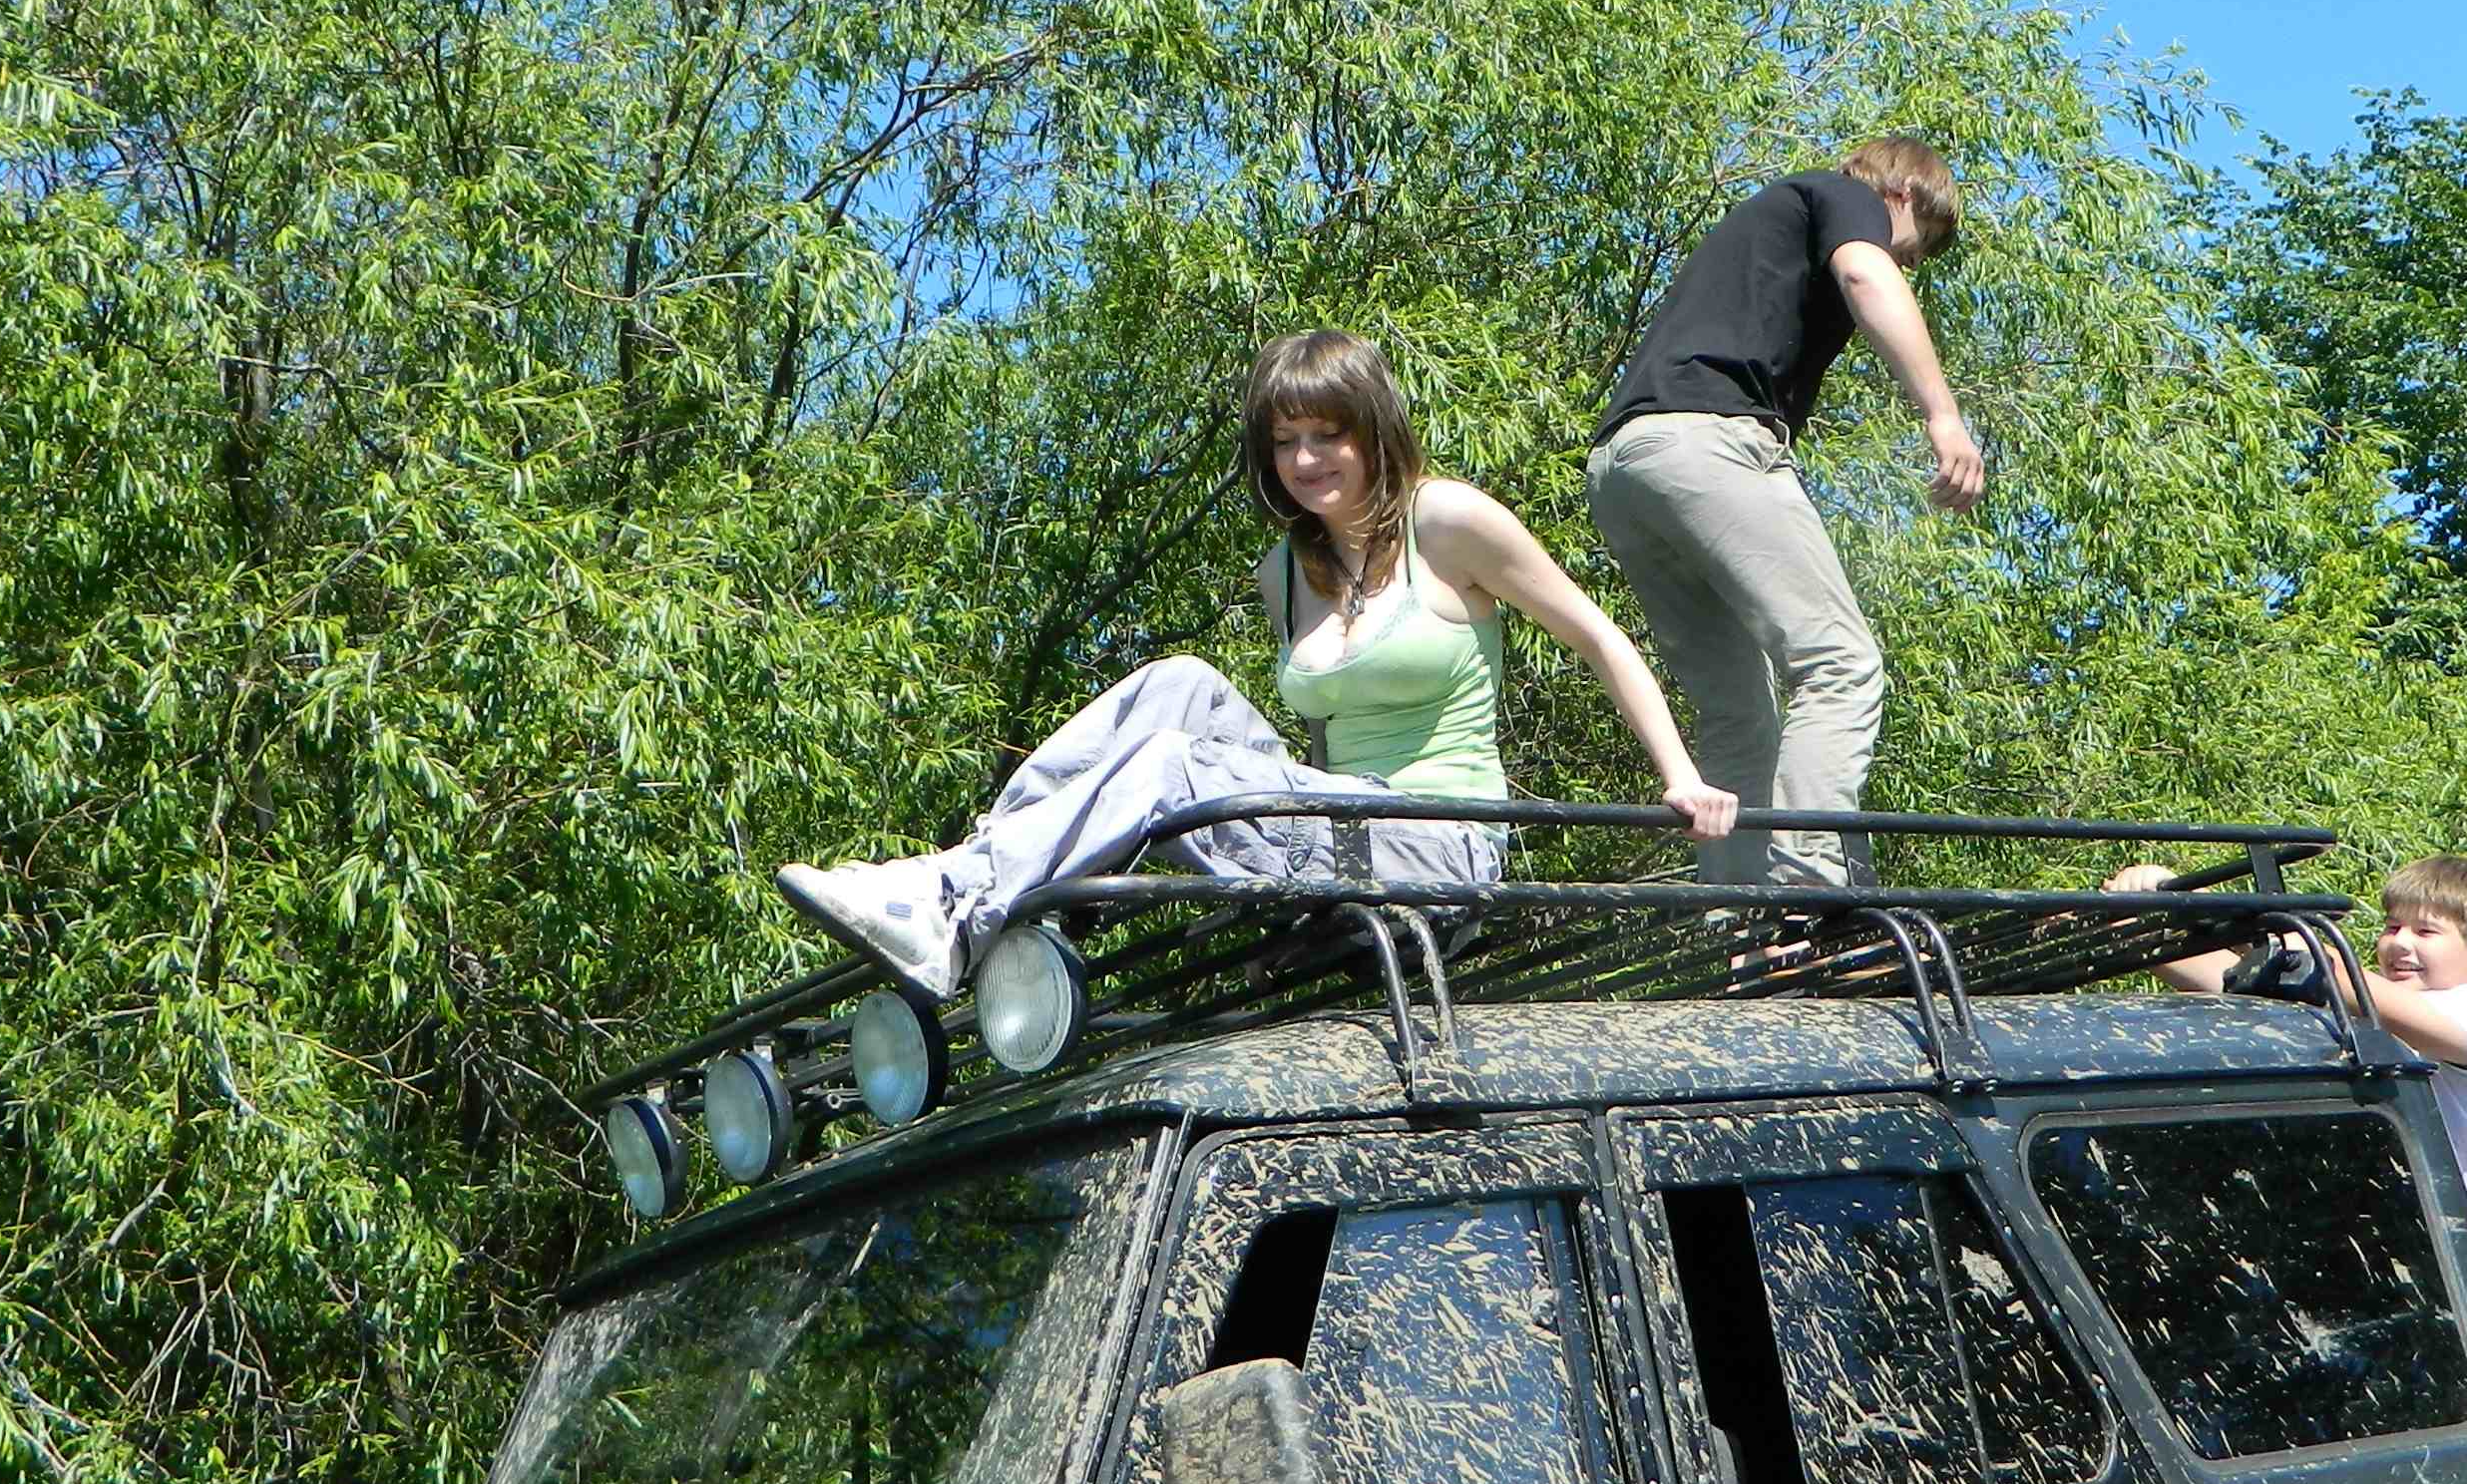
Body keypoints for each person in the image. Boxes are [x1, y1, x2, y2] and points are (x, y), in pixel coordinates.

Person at [777, 328, 1737, 994]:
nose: (1307, 460)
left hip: (1443, 838)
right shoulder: (1286, 569)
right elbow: (1320, 749)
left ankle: (957, 913)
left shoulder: (1447, 520)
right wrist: (1295, 908)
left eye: (1328, 435)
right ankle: (957, 877)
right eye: (1286, 442)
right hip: (1348, 815)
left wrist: (1682, 778)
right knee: (1178, 686)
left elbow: (1597, 635)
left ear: (1373, 431)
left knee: (1172, 769)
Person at [1584, 139, 1984, 890]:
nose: (1906, 265)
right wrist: (1943, 417)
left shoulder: (1769, 231)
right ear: (1902, 196)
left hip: (1625, 468)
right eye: (1915, 248)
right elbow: (1865, 273)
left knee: (1739, 715)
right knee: (1840, 664)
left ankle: (1739, 920)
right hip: (1710, 445)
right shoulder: (1845, 196)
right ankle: (1808, 887)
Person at [2113, 851, 2467, 1438]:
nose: (2400, 944)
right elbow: (2236, 983)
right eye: (2392, 926)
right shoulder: (2377, 1022)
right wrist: (2139, 924)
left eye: (2426, 932)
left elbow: (2325, 972)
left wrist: (2196, 906)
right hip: (2432, 1319)